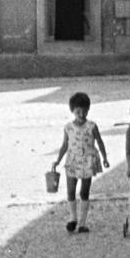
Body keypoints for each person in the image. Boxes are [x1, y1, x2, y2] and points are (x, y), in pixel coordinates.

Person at [51, 91, 109, 234]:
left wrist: (104, 157)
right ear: (72, 110)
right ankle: (73, 218)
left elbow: (100, 142)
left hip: (88, 161)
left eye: (84, 110)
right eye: (78, 111)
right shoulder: (68, 127)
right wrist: (58, 160)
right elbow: (65, 145)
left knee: (84, 191)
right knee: (70, 190)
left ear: (88, 109)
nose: (81, 114)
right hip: (72, 160)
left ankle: (82, 222)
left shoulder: (92, 126)